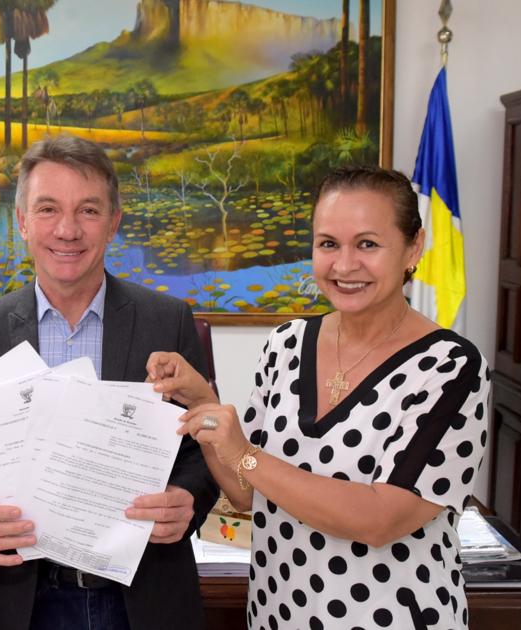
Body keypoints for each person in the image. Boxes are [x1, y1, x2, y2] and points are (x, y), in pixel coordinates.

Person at [149, 166, 490, 629]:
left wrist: (245, 455)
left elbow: (380, 519)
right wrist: (200, 400)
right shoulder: (286, 343)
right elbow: (246, 493)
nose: (344, 265)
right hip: (277, 612)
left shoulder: (451, 367)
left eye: (367, 244)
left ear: (413, 247)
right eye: (328, 243)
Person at [0, 134, 219, 630]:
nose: (67, 230)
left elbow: (204, 447)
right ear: (22, 222)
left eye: (88, 210)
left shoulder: (169, 321)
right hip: (28, 599)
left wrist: (189, 500)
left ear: (113, 223)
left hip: (144, 597)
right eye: (48, 209)